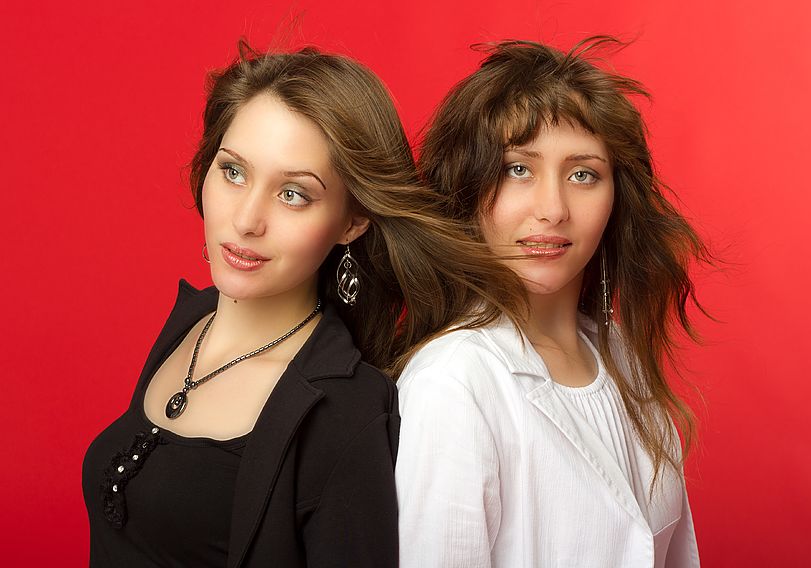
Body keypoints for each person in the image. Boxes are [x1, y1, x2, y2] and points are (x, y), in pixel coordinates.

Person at [82, 42, 521, 568]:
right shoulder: (189, 323)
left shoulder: (345, 411)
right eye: (234, 171)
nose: (246, 219)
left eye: (293, 193)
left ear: (352, 221)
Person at [395, 38, 710, 567]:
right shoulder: (454, 381)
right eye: (518, 169)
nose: (552, 209)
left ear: (617, 199)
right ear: (468, 188)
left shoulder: (623, 360)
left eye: (583, 174)